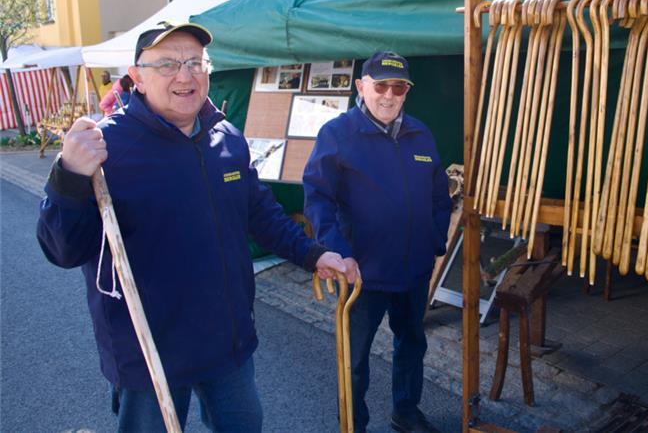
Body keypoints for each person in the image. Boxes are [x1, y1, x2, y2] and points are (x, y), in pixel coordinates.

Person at [37, 21, 353, 432]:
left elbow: (260, 213)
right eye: (167, 64)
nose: (185, 76)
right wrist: (69, 175)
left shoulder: (226, 138)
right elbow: (62, 249)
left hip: (227, 341)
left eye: (195, 63)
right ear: (136, 77)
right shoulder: (107, 148)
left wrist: (313, 254)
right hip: (148, 350)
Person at [303, 51, 452, 433]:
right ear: (361, 86)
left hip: (414, 269)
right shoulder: (338, 134)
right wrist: (339, 253)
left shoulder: (420, 133)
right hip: (362, 273)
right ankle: (353, 424)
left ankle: (406, 412)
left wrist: (435, 240)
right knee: (354, 357)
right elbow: (318, 197)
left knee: (412, 344)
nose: (389, 95)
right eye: (381, 85)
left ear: (407, 91)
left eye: (398, 87)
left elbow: (440, 195)